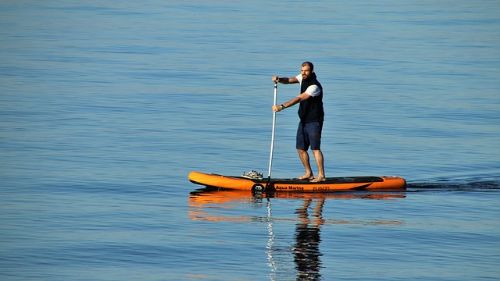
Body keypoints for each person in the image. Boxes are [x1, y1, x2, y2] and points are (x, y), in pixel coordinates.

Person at [272, 61, 326, 182]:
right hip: (303, 120)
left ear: (311, 71)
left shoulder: (314, 86)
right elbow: (289, 80)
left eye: (306, 71)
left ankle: (321, 175)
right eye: (302, 70)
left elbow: (299, 98)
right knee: (300, 149)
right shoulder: (302, 77)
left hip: (314, 121)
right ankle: (308, 173)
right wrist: (279, 79)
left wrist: (282, 106)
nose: (303, 73)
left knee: (315, 149)